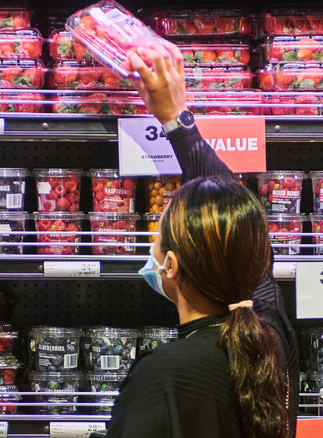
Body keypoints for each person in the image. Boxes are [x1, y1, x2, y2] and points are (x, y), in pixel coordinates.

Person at [105, 45, 298, 438]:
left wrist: (176, 117)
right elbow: (236, 216)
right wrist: (177, 118)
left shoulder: (164, 374)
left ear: (170, 266)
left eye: (157, 233)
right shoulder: (271, 337)